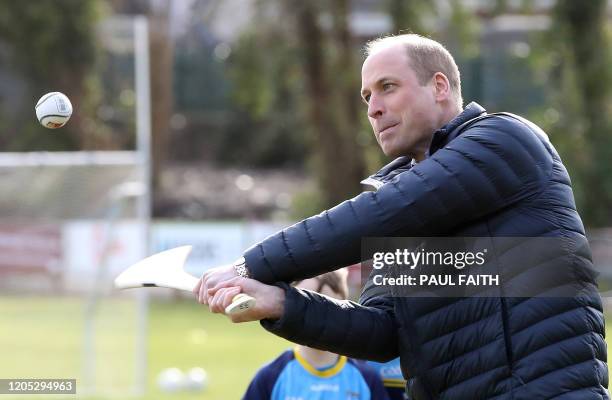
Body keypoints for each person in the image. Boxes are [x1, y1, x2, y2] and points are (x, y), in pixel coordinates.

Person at [195, 34, 608, 399]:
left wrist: (249, 265)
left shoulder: (505, 140)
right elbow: (383, 332)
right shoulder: (402, 205)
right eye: (366, 97)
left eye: (387, 87)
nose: (374, 108)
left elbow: (383, 213)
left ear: (439, 86)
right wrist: (282, 303)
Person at [243, 270, 389, 400]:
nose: (315, 320)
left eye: (326, 311)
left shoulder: (366, 378)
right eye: (305, 308)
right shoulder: (270, 377)